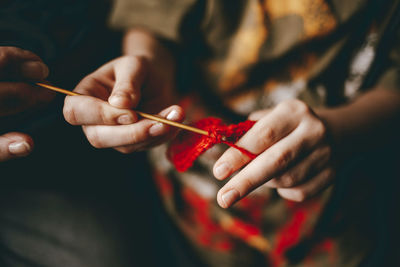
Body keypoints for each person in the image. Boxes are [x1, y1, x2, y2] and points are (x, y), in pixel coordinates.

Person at [62, 0, 400, 266]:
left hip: (341, 213)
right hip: (193, 212)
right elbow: (151, 20)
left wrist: (339, 131)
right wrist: (147, 65)